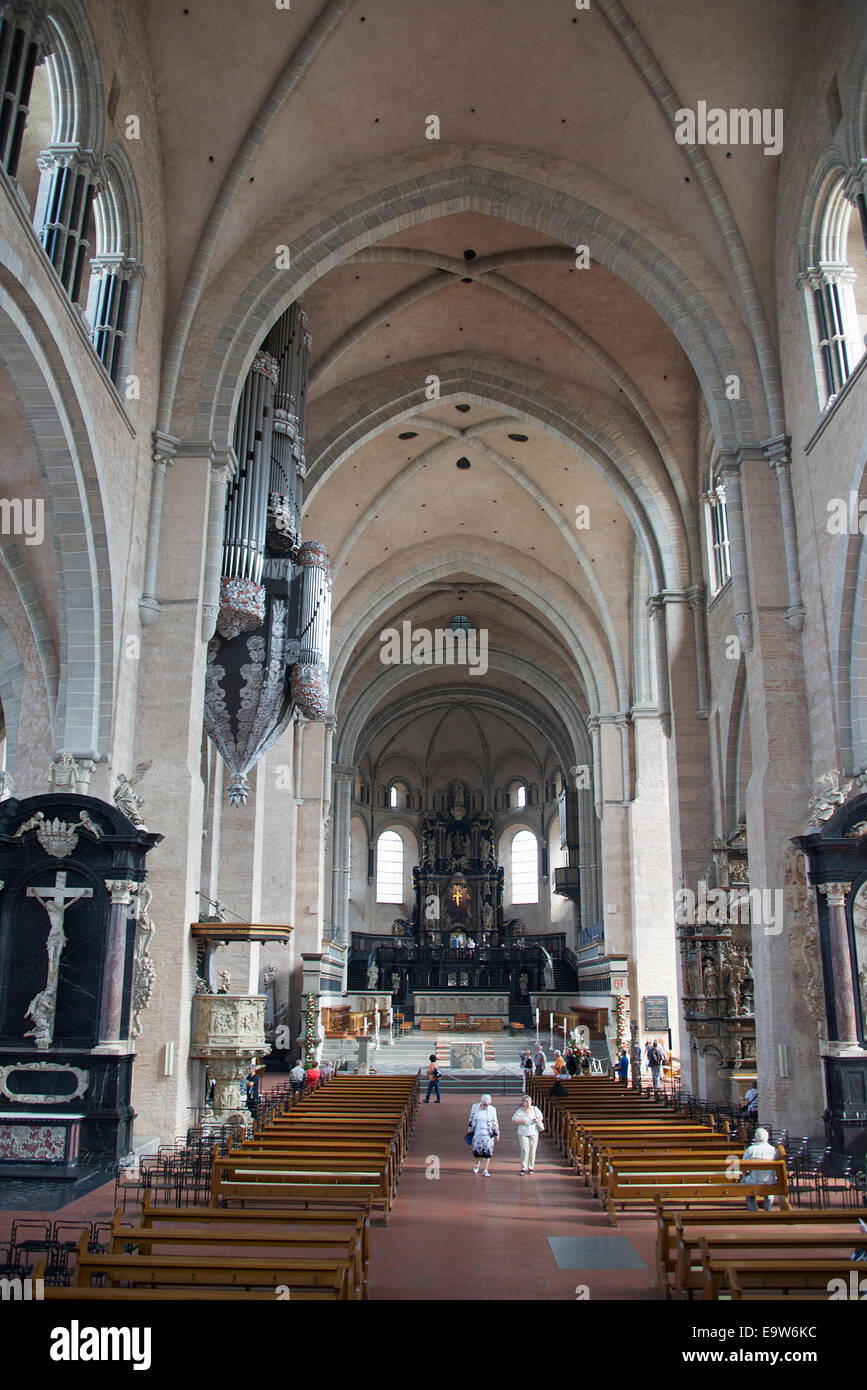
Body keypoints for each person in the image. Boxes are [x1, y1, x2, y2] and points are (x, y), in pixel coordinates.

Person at [741, 1127, 780, 1211]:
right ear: (767, 1137)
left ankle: (753, 1209)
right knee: (770, 1184)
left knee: (745, 1182)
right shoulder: (773, 1150)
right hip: (770, 1181)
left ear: (756, 1138)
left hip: (754, 1181)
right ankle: (768, 1207)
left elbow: (743, 1167)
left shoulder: (750, 1150)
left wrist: (745, 1175)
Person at [467, 1093, 500, 1176]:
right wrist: (469, 1128)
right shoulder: (475, 1107)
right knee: (477, 1152)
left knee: (487, 1152)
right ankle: (477, 1163)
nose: (486, 1106)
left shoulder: (492, 1109)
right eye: (484, 1104)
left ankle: (485, 1170)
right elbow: (471, 1118)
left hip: (488, 1134)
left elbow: (495, 1122)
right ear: (481, 1102)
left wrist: (497, 1134)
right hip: (477, 1133)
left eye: (487, 1105)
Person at [511, 1094, 545, 1174]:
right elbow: (513, 1120)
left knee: (532, 1150)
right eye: (526, 1102)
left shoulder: (535, 1109)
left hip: (533, 1132)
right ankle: (523, 1167)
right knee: (525, 1150)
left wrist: (537, 1120)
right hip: (523, 1132)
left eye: (529, 1101)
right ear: (523, 1103)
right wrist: (522, 1122)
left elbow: (541, 1117)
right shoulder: (519, 1111)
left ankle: (531, 1167)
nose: (528, 1103)